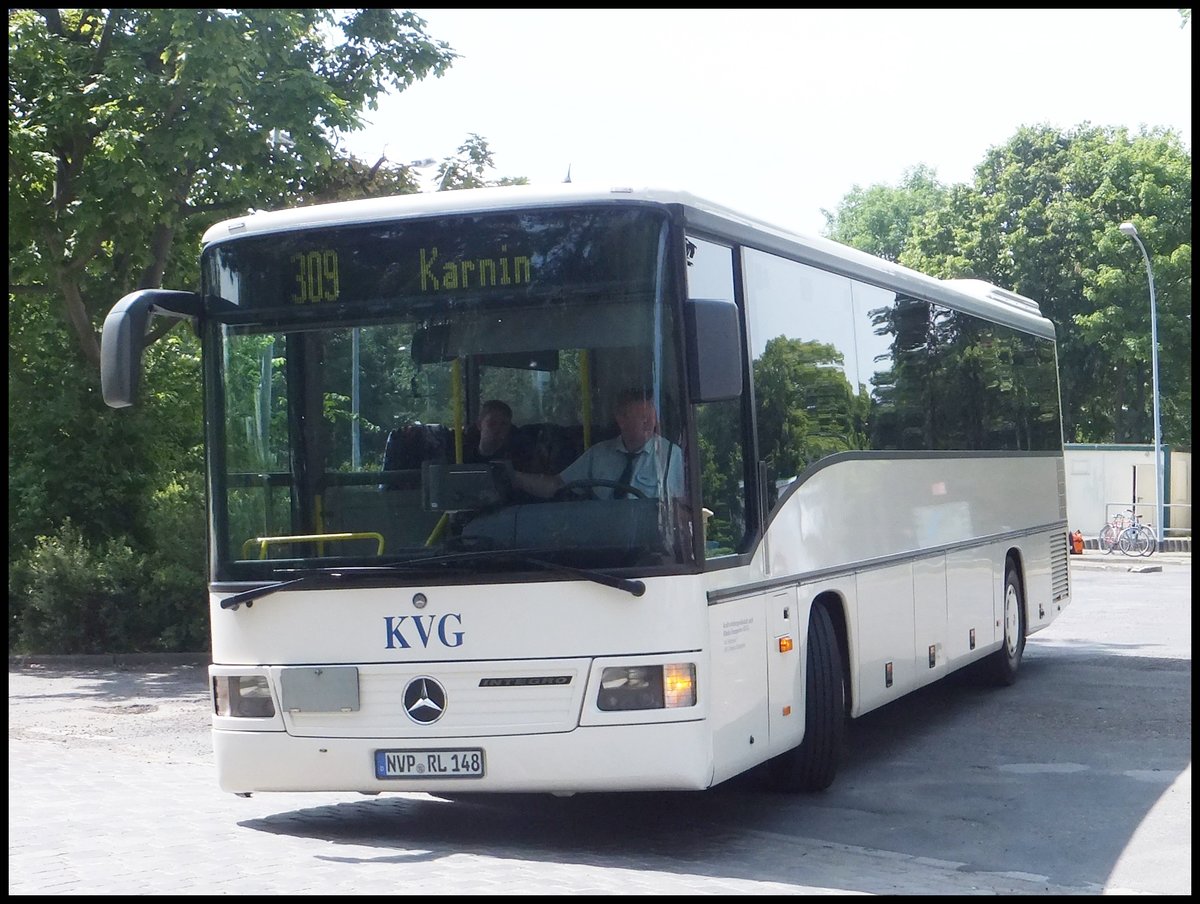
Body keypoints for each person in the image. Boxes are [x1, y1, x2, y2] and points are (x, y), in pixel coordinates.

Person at [512, 388, 684, 501]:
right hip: (601, 540)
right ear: (621, 419)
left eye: (651, 416)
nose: (649, 423)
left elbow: (677, 509)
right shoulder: (599, 454)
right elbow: (556, 485)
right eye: (642, 417)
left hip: (648, 545)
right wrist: (514, 477)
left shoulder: (669, 454)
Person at [464, 399, 535, 469]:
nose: (497, 429)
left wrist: (512, 474)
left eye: (504, 424)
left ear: (509, 427)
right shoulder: (462, 456)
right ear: (479, 425)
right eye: (492, 423)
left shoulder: (519, 457)